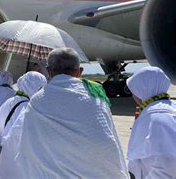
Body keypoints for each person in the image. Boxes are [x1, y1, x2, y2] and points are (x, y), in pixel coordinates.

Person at [14, 48, 128, 178]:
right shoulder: (96, 96)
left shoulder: (37, 100)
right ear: (80, 72)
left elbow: (27, 149)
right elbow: (109, 140)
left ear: (49, 71)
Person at [126, 66, 176, 178]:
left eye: (134, 91)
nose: (133, 96)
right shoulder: (169, 107)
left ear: (141, 90)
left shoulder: (156, 115)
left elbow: (167, 162)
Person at [0, 71, 47, 179]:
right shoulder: (27, 107)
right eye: (40, 88)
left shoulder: (8, 102)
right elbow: (18, 137)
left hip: (3, 161)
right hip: (17, 165)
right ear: (33, 86)